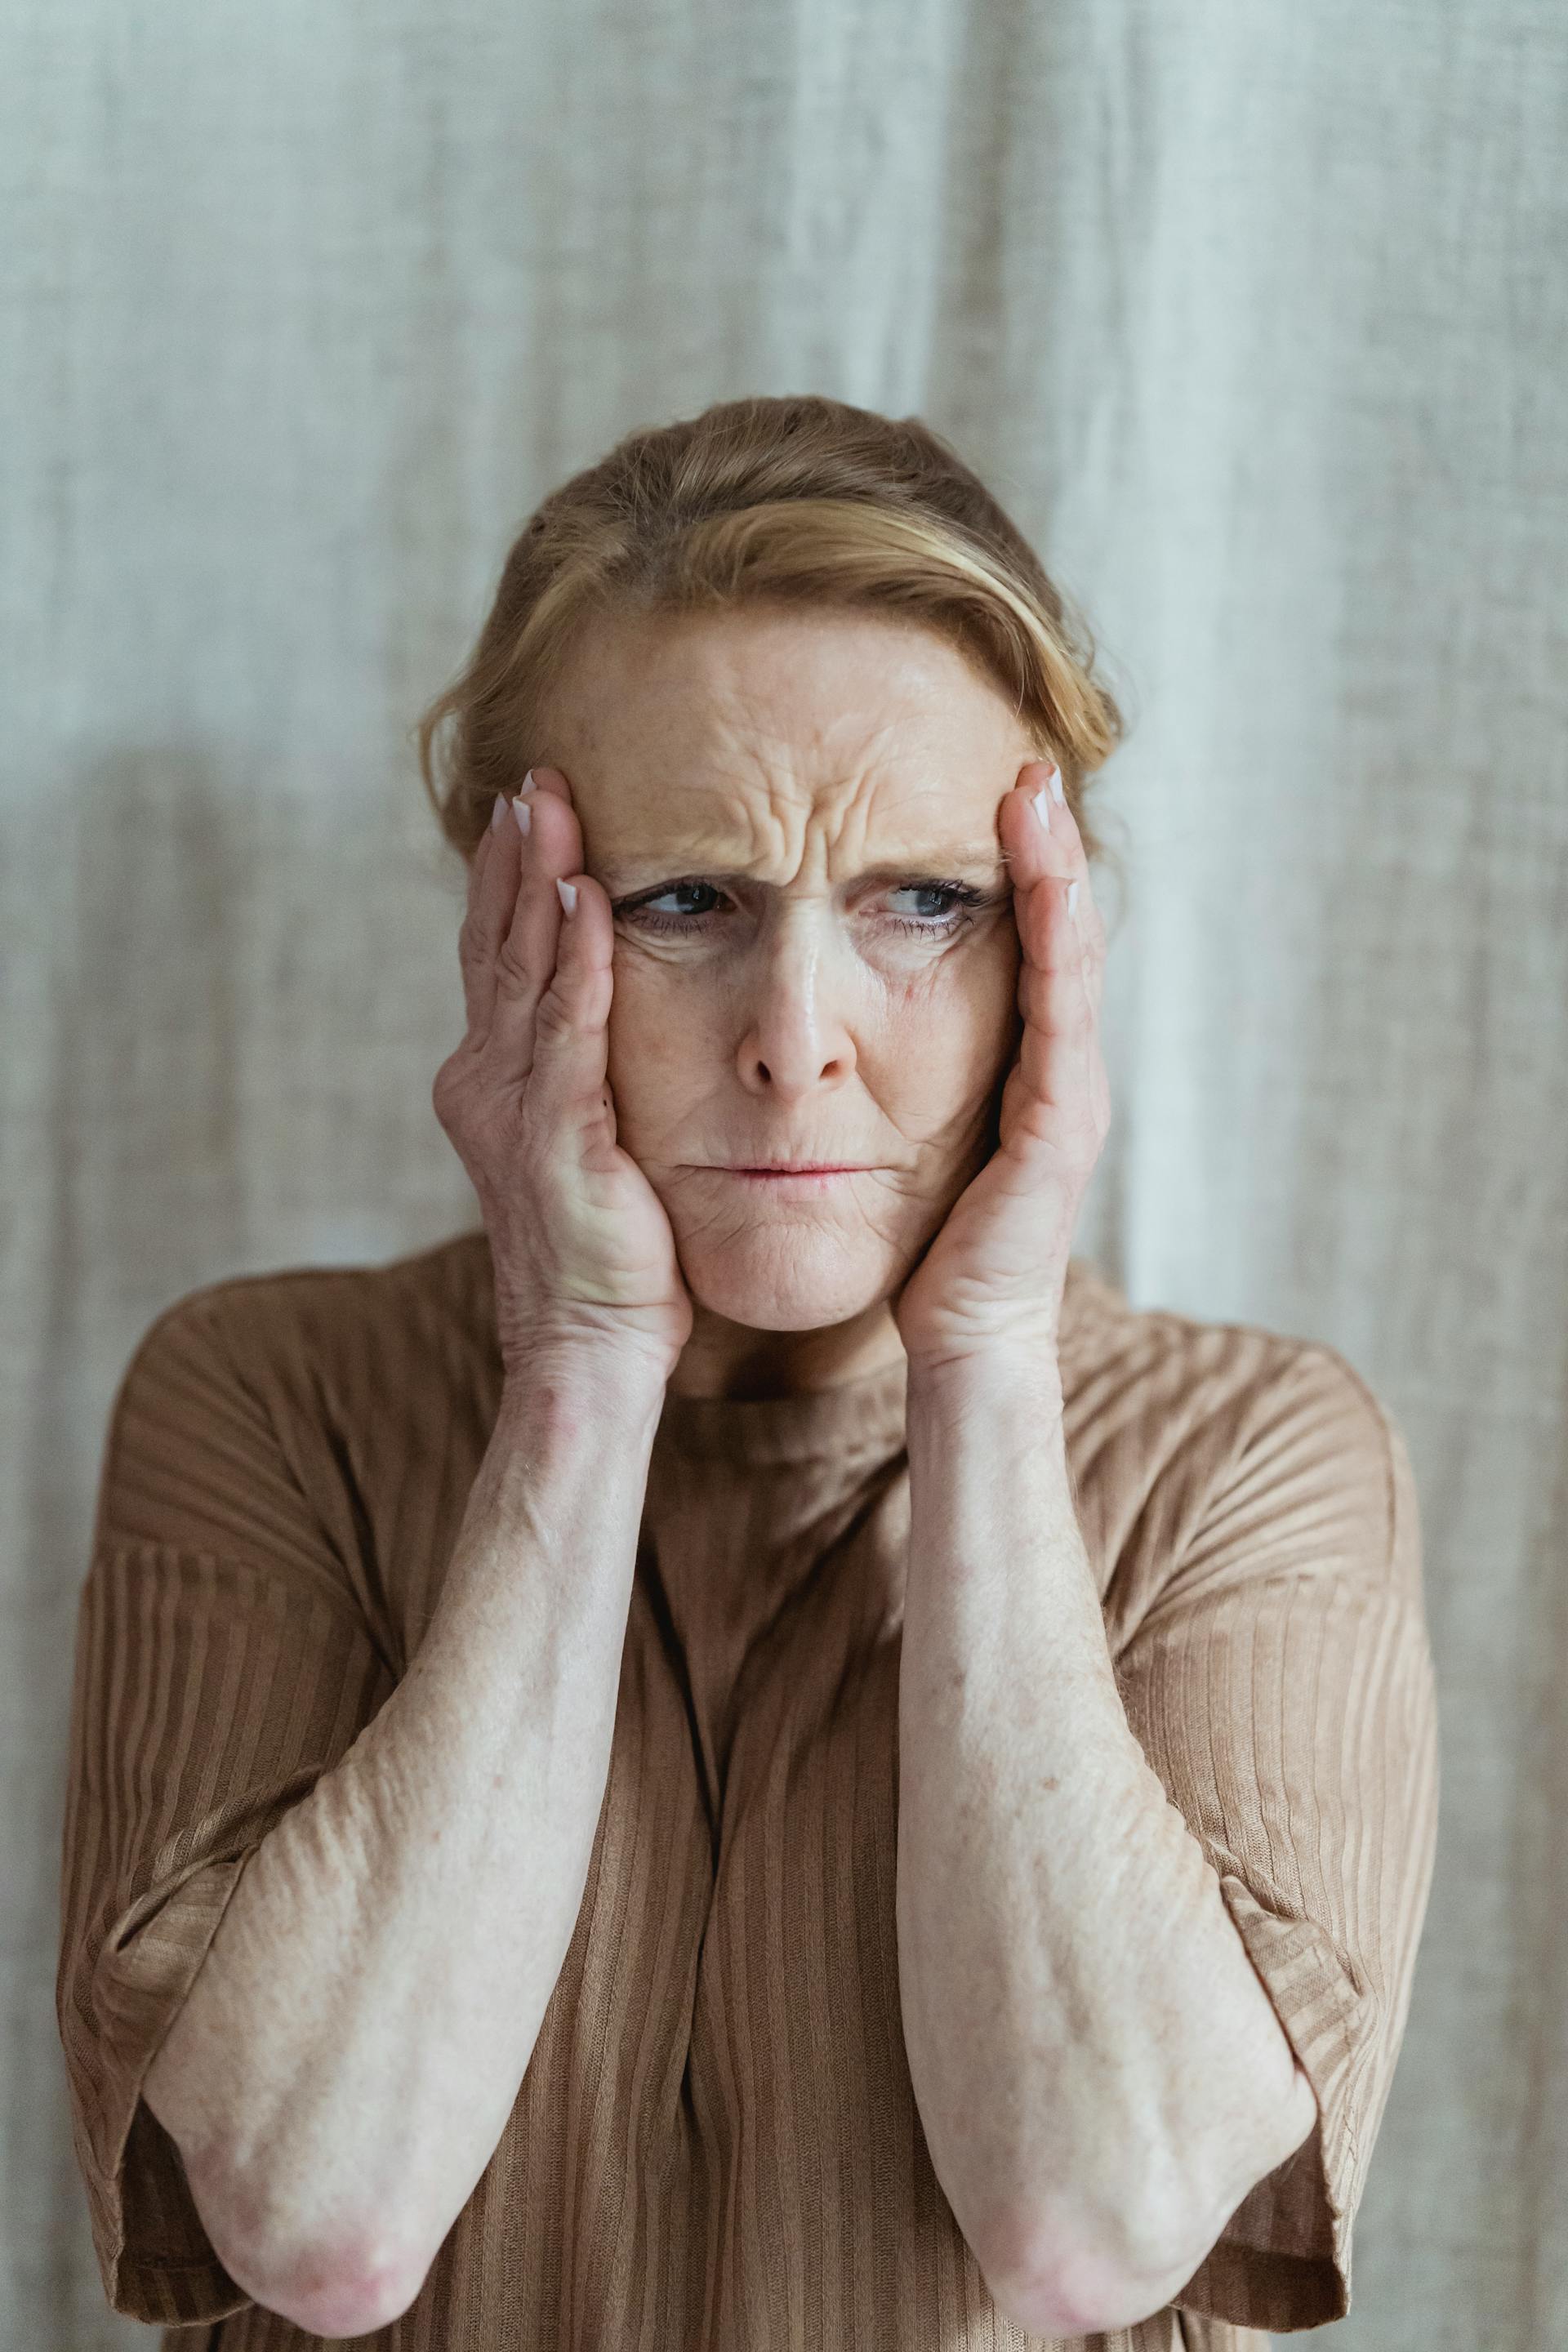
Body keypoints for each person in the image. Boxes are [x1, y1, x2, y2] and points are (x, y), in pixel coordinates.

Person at [56, 393, 1439, 2352]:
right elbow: (317, 2219)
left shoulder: (1256, 1457)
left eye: (923, 905)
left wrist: (982, 1361)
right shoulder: (269, 1398)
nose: (800, 1041)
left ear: (1047, 953)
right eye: (687, 902)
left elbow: (1090, 2229)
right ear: (510, 931)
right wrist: (581, 1365)